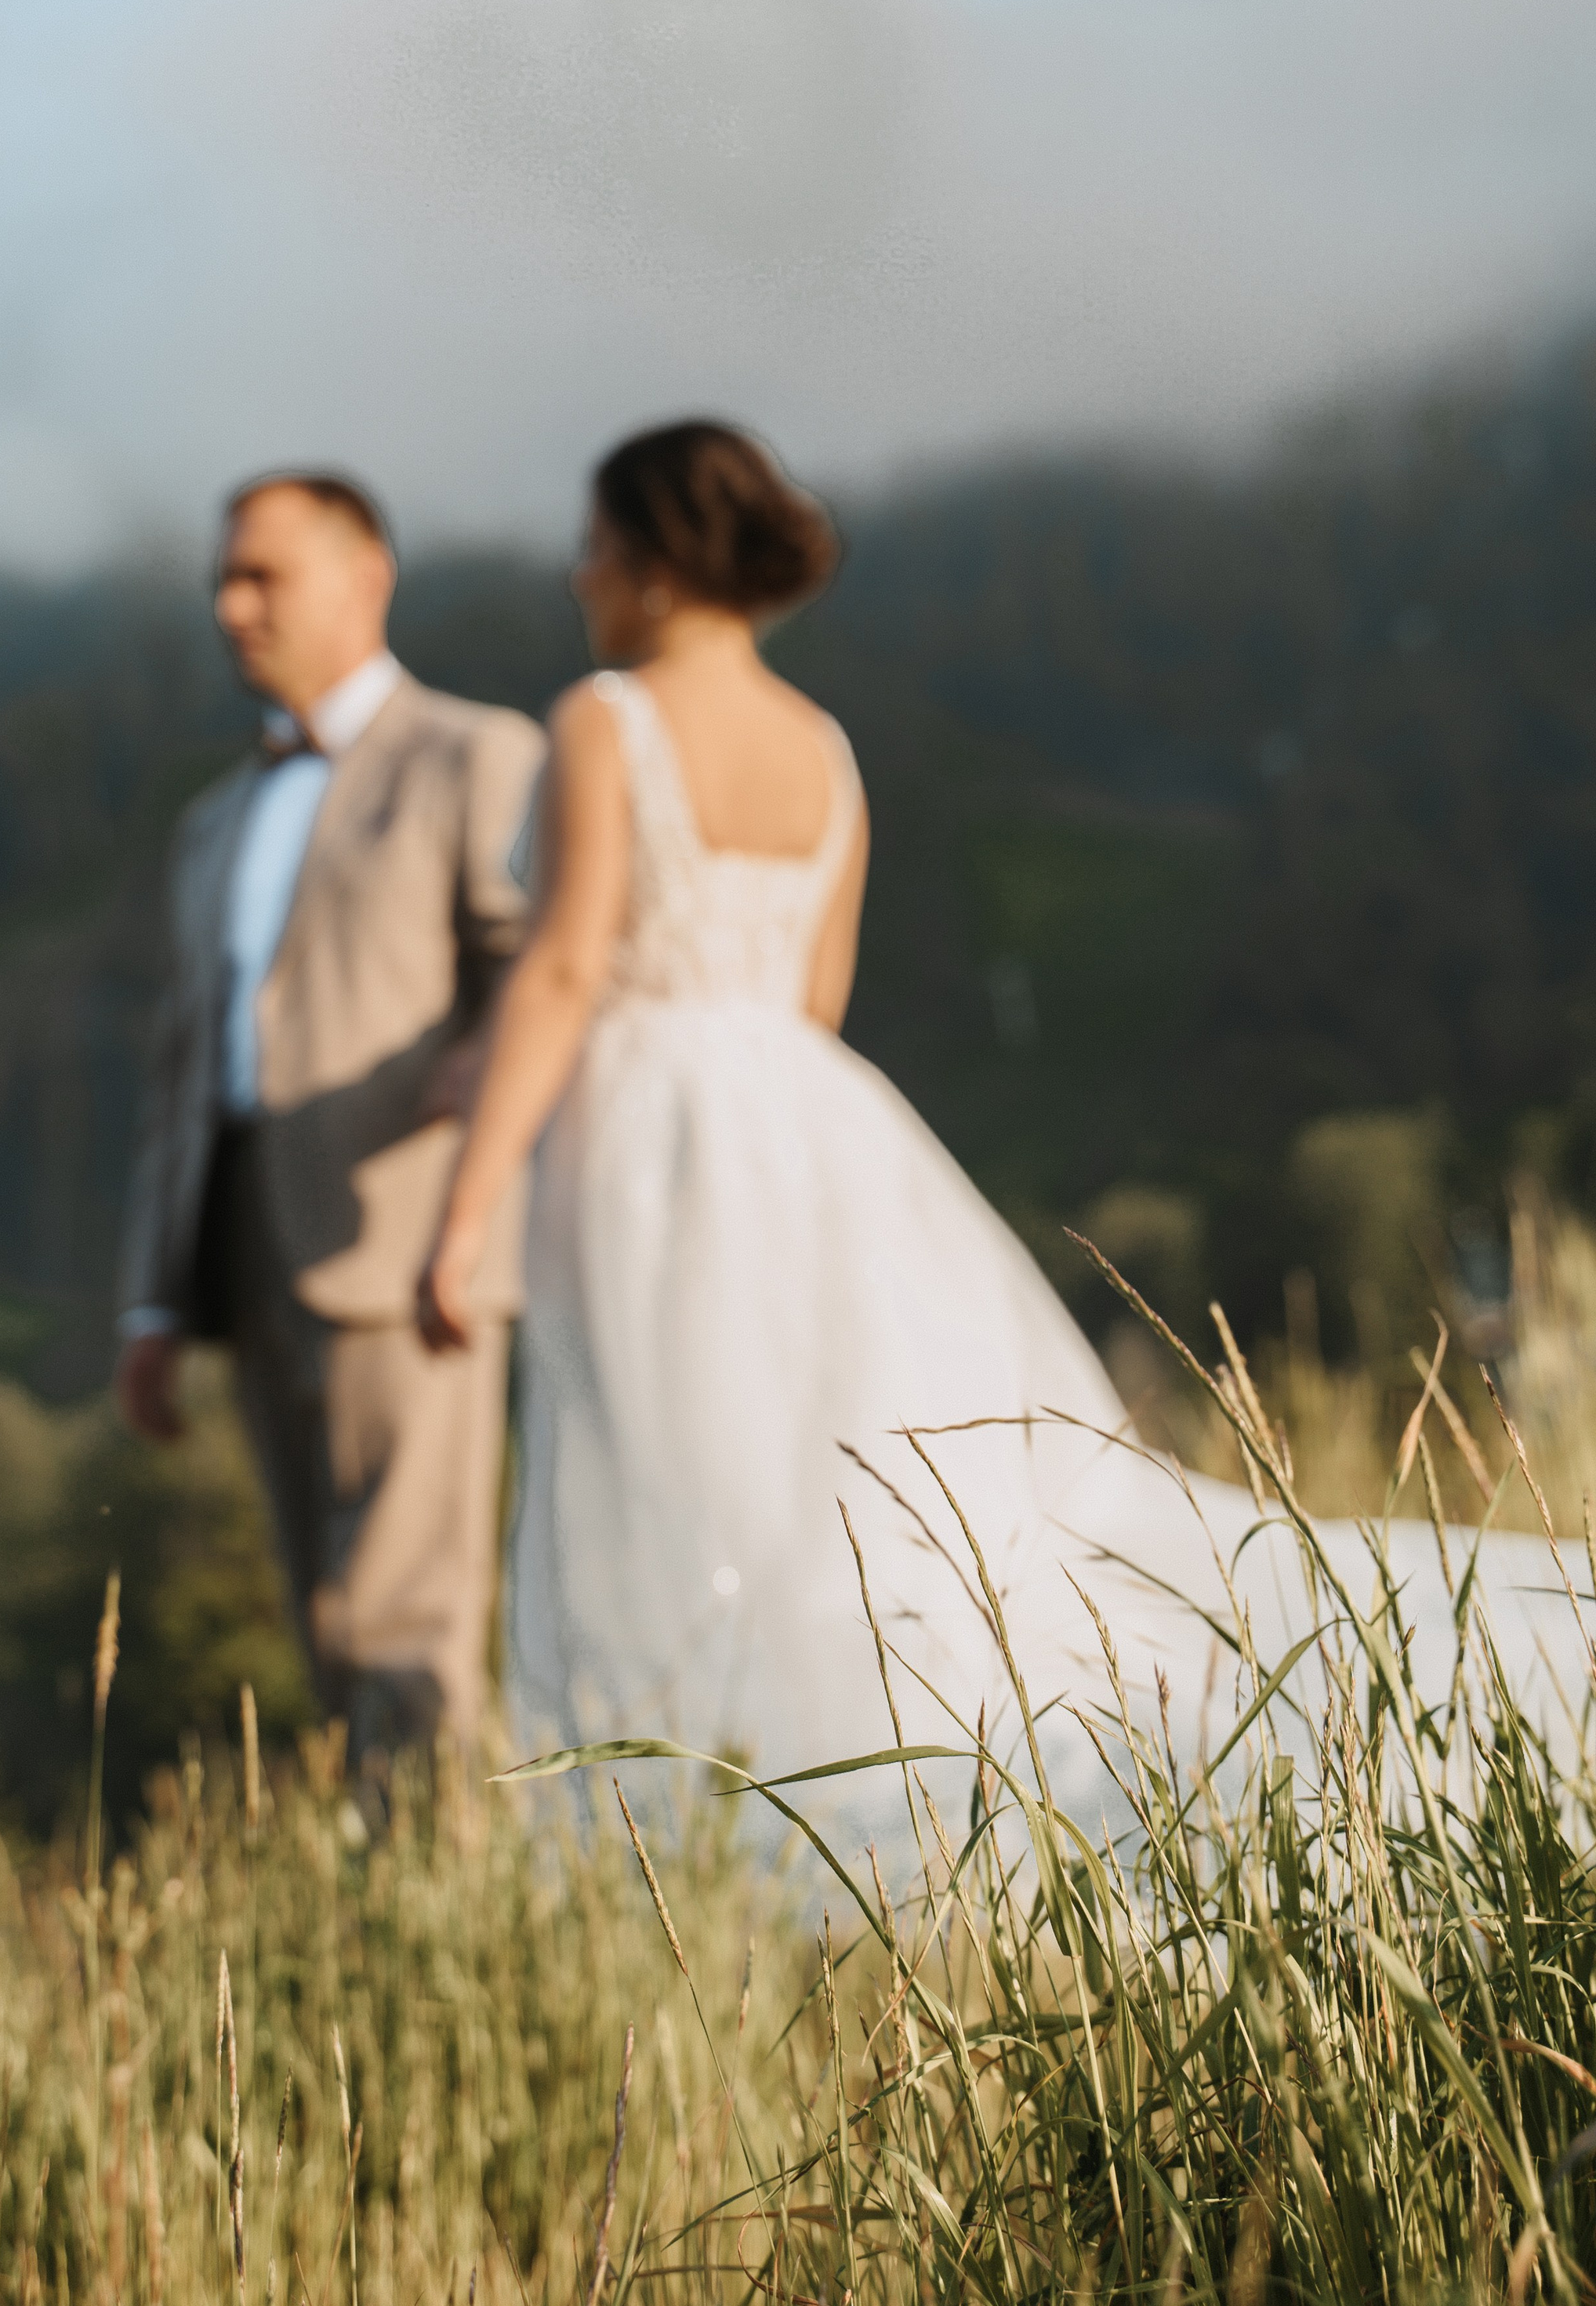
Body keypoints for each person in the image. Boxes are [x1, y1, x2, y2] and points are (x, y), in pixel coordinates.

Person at [419, 421, 1572, 1820]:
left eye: (598, 541)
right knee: (818, 1455)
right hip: (811, 1128)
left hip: (648, 1136)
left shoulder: (605, 719)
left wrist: (468, 1206)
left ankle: (693, 1789)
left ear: (659, 560)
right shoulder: (823, 749)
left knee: (666, 1457)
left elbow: (558, 968)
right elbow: (817, 991)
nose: (579, 570)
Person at [118, 472, 545, 1771]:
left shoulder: (477, 756)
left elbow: (533, 966)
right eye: (222, 580)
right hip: (240, 1243)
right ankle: (381, 1917)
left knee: (405, 1609)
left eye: (264, 576)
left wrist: (473, 1142)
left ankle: (445, 1925)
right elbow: (183, 1062)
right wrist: (152, 1300)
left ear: (368, 578)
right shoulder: (215, 818)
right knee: (320, 1617)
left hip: (408, 1232)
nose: (231, 605)